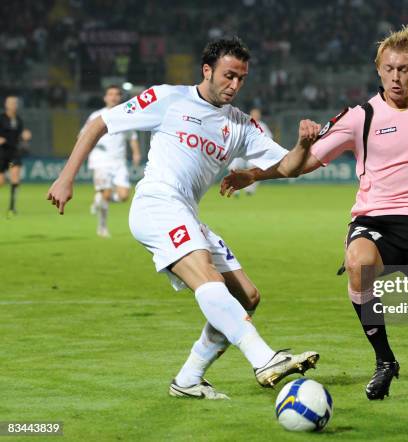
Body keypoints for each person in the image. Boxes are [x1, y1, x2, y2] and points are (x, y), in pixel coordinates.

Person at [221, 26, 408, 407]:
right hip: (376, 222)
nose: (396, 77)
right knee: (358, 262)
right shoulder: (359, 117)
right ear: (378, 69)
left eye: (404, 69)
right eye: (389, 69)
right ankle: (385, 360)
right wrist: (255, 173)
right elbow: (300, 165)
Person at [47, 37, 320, 399]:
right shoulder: (168, 98)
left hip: (186, 211)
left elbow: (289, 165)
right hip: (156, 203)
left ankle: (189, 379)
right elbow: (100, 122)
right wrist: (66, 176)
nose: (234, 85)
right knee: (207, 275)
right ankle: (263, 358)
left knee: (246, 296)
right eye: (228, 75)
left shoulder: (239, 124)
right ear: (207, 70)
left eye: (241, 78)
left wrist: (298, 147)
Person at [85, 85, 142, 237]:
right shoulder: (96, 116)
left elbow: (133, 138)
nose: (113, 97)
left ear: (120, 97)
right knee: (107, 191)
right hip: (100, 160)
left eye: (116, 94)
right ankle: (102, 227)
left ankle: (99, 199)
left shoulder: (125, 115)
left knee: (123, 196)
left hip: (119, 162)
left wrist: (136, 153)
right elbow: (83, 135)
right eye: (110, 94)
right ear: (105, 98)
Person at [227, 107, 272, 196]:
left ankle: (249, 190)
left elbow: (269, 138)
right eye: (254, 114)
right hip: (240, 150)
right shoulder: (244, 124)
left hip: (254, 151)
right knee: (234, 169)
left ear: (259, 115)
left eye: (257, 114)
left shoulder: (262, 126)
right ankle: (235, 189)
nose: (255, 115)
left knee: (253, 170)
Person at [0, 96, 32, 216]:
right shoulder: (1, 118)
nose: (14, 105)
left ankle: (12, 208)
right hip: (2, 153)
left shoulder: (18, 120)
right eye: (12, 103)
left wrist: (25, 136)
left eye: (16, 103)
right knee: (1, 181)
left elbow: (19, 137)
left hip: (13, 153)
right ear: (6, 105)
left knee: (15, 175)